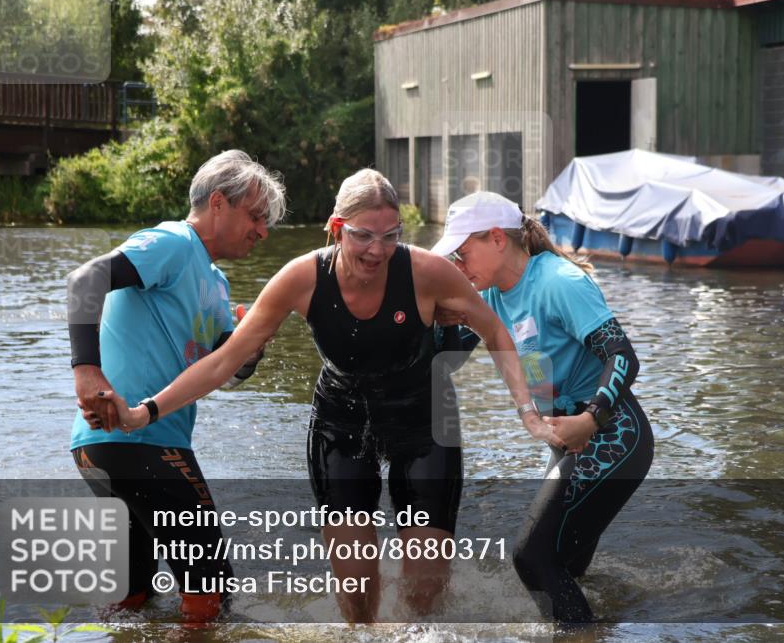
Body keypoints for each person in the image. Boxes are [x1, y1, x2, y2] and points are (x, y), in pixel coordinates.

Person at [95, 169, 560, 623]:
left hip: (424, 426)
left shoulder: (428, 271)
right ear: (337, 230)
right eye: (362, 236)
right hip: (341, 427)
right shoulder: (301, 278)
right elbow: (222, 361)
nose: (377, 251)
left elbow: (495, 329)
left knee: (424, 599)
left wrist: (530, 413)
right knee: (357, 601)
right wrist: (144, 412)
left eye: (390, 236)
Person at [68, 150, 286, 622]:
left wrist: (251, 346)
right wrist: (86, 369)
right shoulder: (173, 242)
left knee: (133, 596)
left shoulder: (217, 283)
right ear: (217, 204)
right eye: (255, 216)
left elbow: (224, 370)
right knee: (213, 593)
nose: (262, 231)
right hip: (143, 441)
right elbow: (86, 279)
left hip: (102, 448)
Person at [430, 191, 654, 625]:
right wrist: (438, 321)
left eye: (463, 251)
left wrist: (590, 420)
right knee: (561, 565)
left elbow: (623, 356)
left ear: (497, 239)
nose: (457, 264)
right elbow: (449, 358)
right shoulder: (491, 294)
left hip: (611, 435)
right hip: (566, 440)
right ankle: (598, 627)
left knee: (530, 557)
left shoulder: (557, 282)